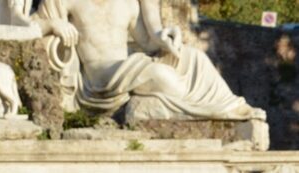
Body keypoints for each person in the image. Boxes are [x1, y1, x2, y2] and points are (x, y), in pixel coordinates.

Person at [36, 0, 265, 121]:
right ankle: (206, 110)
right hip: (100, 78)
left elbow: (148, 43)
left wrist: (166, 38)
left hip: (128, 67)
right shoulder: (65, 0)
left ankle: (231, 106)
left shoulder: (127, 3)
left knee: (194, 57)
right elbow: (30, 27)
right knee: (161, 75)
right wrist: (52, 25)